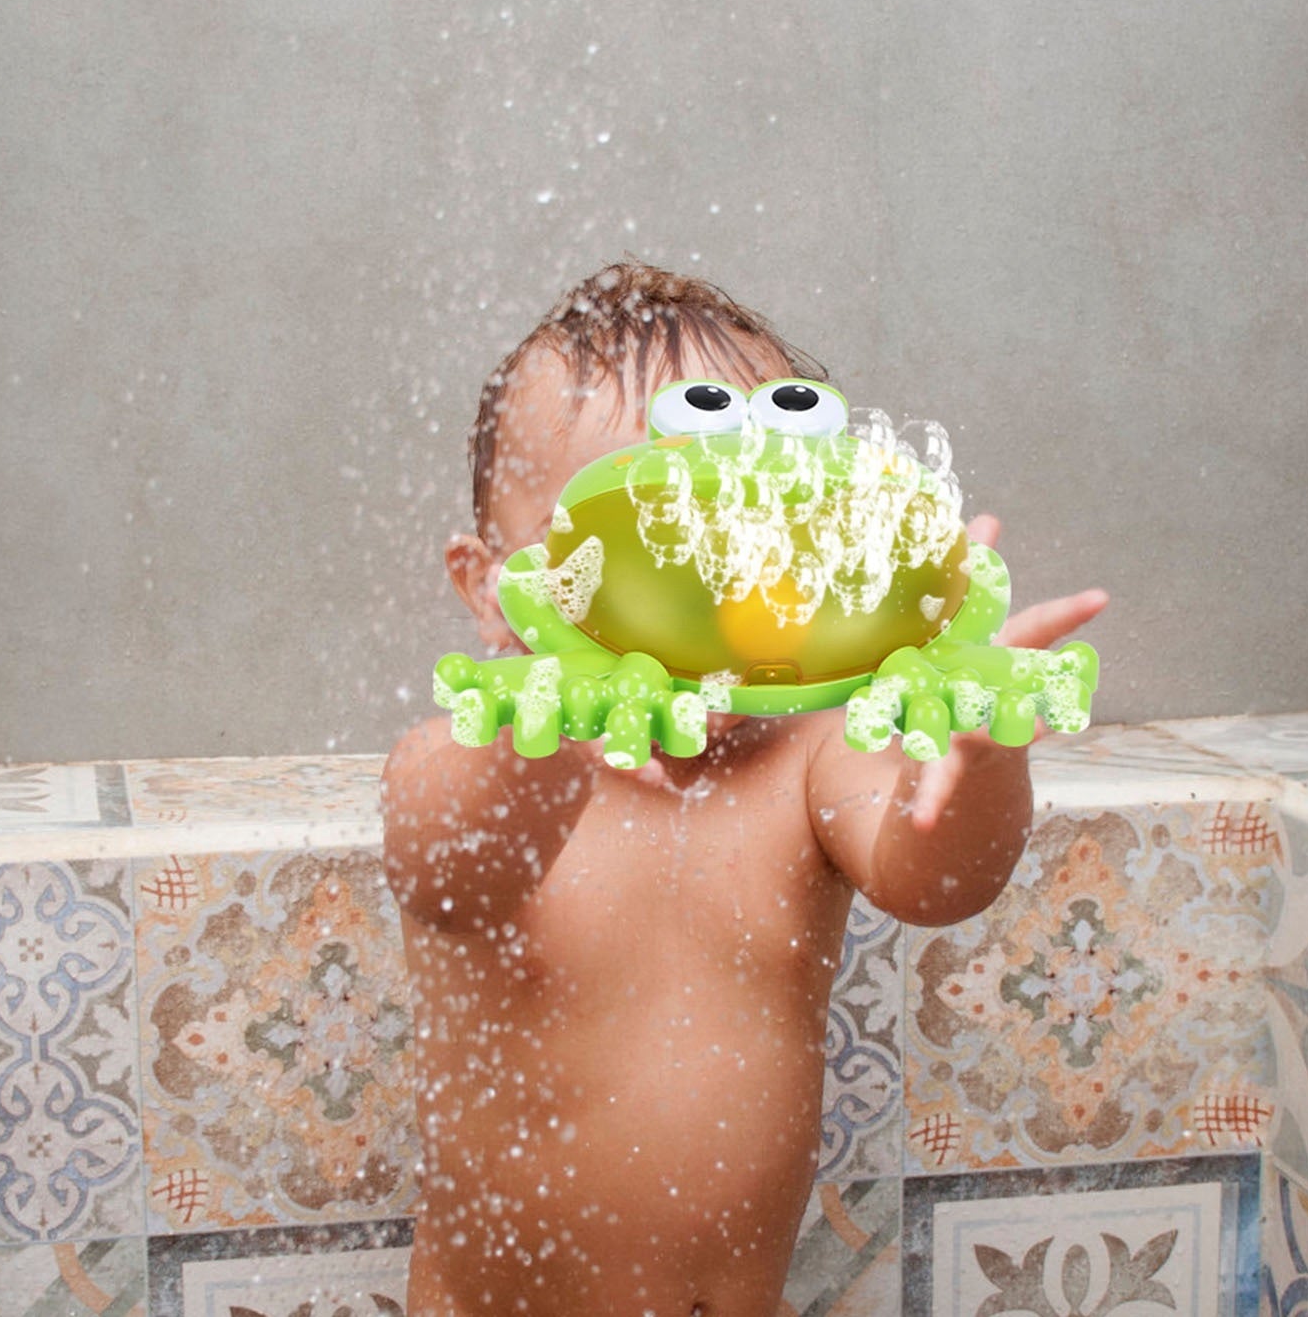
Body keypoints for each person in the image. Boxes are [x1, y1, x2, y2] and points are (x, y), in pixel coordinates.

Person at [381, 262, 1108, 1317]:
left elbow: (936, 878)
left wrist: (985, 750)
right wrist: (557, 742)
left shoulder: (809, 759)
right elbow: (448, 870)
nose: (709, 596)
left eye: (750, 536)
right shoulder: (466, 752)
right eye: (648, 553)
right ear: (491, 587)